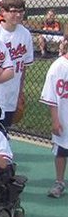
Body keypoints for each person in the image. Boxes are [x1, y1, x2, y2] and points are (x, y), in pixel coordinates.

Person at [0, 0, 34, 129]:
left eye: (21, 11)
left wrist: (20, 92)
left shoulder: (25, 34)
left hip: (12, 92)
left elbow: (23, 67)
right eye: (13, 11)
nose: (18, 15)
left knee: (5, 129)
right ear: (3, 12)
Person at [40, 49, 68, 198]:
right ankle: (59, 182)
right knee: (61, 152)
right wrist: (55, 120)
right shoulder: (59, 66)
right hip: (64, 117)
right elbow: (51, 97)